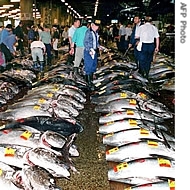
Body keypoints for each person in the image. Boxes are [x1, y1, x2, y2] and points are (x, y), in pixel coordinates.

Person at [83, 19, 100, 91]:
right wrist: (90, 49)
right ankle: (88, 84)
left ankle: (90, 81)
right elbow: (85, 42)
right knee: (88, 67)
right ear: (92, 25)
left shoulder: (95, 32)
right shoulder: (88, 32)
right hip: (89, 52)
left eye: (98, 26)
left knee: (93, 66)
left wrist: (99, 46)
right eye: (95, 26)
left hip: (94, 52)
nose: (97, 27)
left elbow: (95, 42)